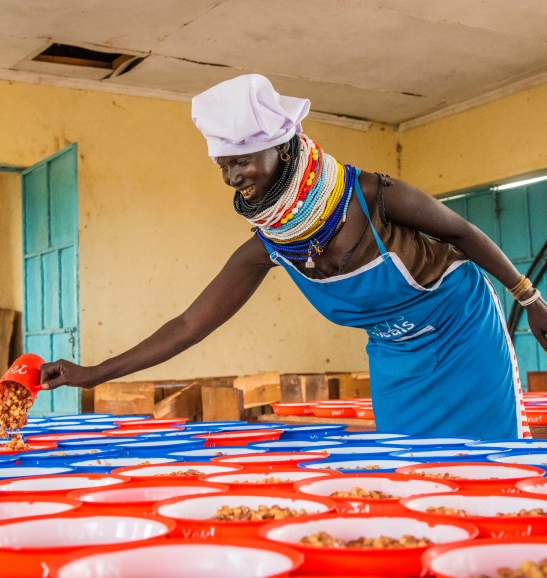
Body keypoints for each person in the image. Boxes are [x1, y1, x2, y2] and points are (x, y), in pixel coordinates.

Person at [40, 74, 547, 440]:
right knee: (410, 466)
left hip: (462, 332)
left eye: (241, 161)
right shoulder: (269, 246)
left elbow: (462, 232)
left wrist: (530, 297)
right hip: (397, 357)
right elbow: (190, 324)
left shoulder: (369, 194)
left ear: (282, 149)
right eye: (223, 164)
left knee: (488, 463)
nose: (232, 177)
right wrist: (93, 373)